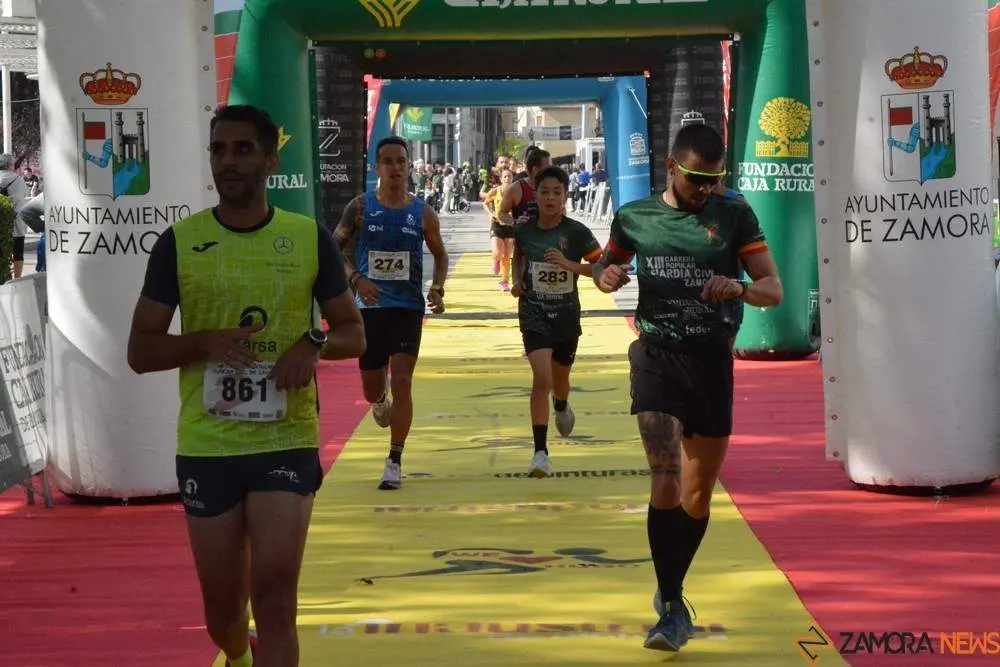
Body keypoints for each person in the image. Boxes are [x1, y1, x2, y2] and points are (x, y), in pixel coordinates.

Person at [127, 104, 366, 667]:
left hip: (285, 438)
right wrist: (202, 340)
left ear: (269, 159)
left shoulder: (307, 238)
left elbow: (353, 333)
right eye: (218, 150)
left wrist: (312, 344)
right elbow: (140, 351)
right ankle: (237, 654)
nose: (228, 163)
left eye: (242, 149)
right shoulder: (179, 243)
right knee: (223, 615)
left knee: (277, 598)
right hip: (209, 445)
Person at [592, 123, 783, 653]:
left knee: (698, 498)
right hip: (656, 354)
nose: (706, 189)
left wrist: (740, 288)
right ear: (672, 169)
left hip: (711, 361)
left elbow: (774, 288)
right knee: (667, 478)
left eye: (714, 179)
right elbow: (609, 265)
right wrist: (605, 278)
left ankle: (670, 589)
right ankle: (673, 606)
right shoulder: (635, 217)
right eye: (697, 179)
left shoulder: (733, 213)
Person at [334, 136, 449, 491]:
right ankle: (378, 399)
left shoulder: (423, 213)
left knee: (402, 380)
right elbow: (332, 250)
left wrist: (438, 288)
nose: (395, 168)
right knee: (373, 389)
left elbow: (441, 256)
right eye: (388, 162)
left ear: (408, 165)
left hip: (408, 308)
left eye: (401, 161)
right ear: (376, 168)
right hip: (368, 308)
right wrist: (356, 278)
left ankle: (394, 460)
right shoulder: (360, 208)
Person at [511, 166, 602, 477]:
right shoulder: (523, 228)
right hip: (533, 313)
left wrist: (568, 264)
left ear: (566, 197)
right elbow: (518, 257)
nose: (550, 197)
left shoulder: (577, 233)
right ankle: (540, 453)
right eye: (544, 192)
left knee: (559, 382)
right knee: (542, 379)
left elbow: (602, 267)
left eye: (557, 192)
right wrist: (516, 280)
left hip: (565, 317)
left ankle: (562, 404)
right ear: (535, 195)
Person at [498, 148, 551, 231]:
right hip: (525, 241)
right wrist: (515, 222)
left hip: (549, 239)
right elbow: (502, 213)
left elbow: (562, 210)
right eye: (548, 168)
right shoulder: (516, 188)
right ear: (535, 169)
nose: (551, 171)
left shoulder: (554, 187)